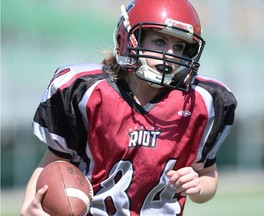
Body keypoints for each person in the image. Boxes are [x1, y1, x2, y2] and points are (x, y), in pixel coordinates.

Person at [21, 0, 237, 215]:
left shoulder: (203, 101)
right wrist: (30, 207)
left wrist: (198, 187)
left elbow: (208, 174)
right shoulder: (86, 92)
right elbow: (54, 164)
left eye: (179, 47)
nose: (170, 54)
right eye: (160, 41)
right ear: (129, 39)